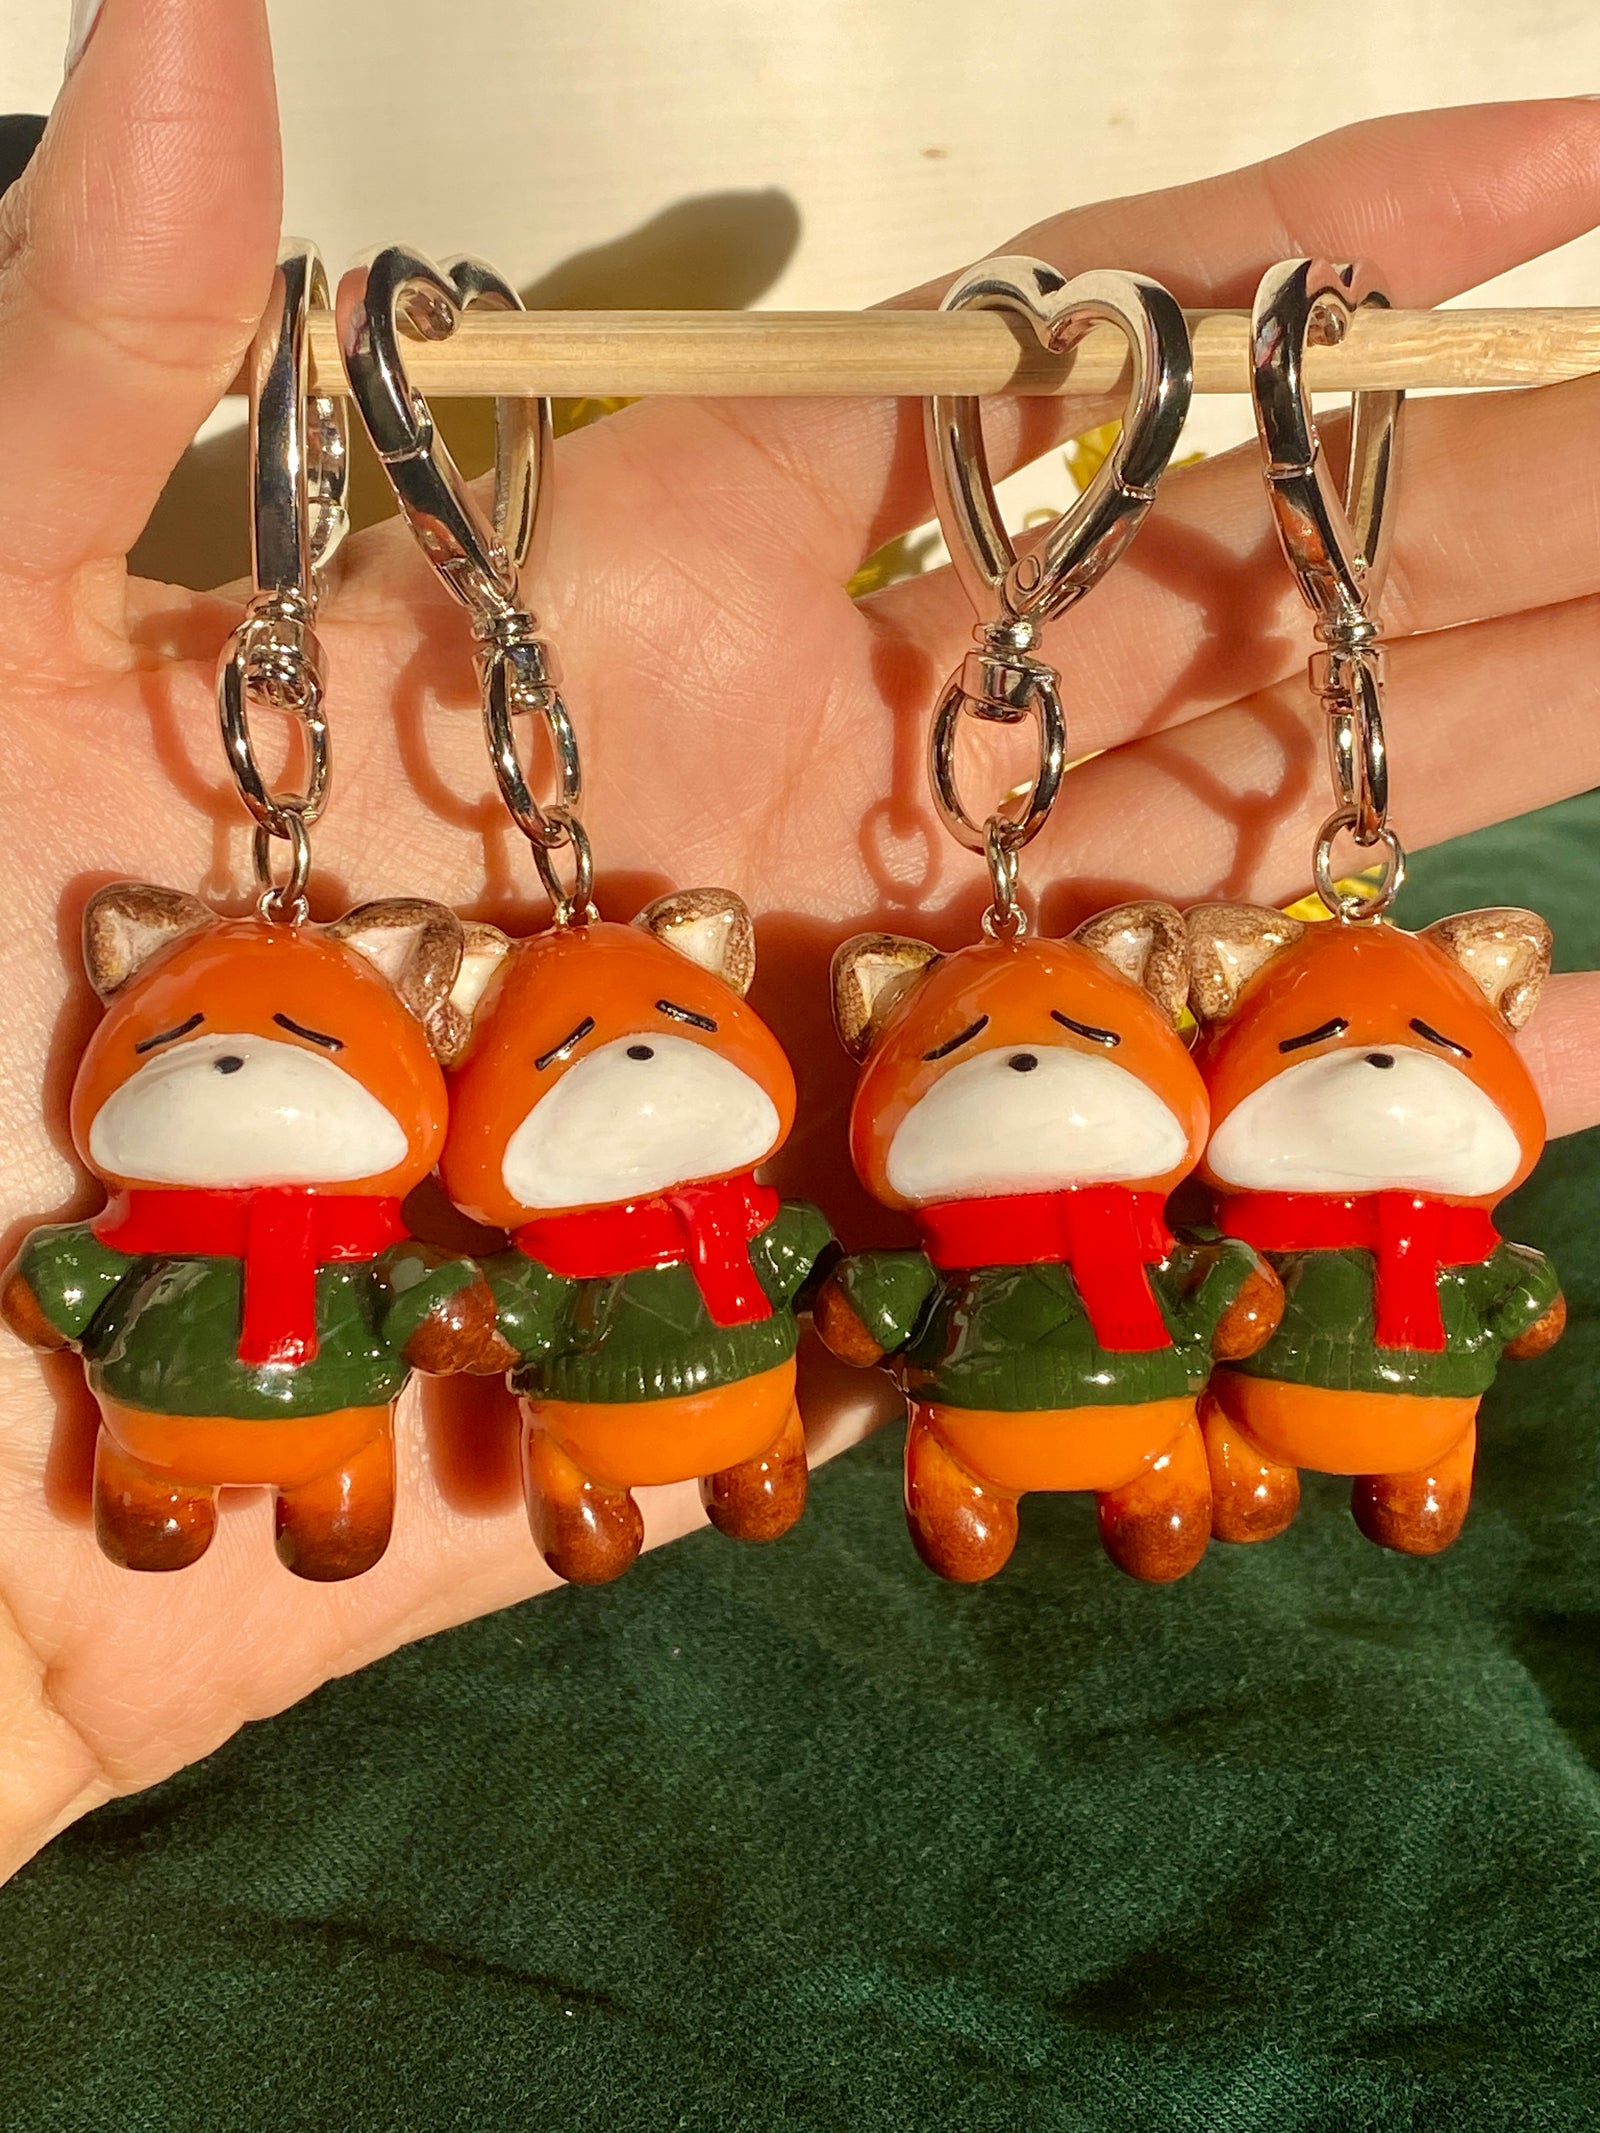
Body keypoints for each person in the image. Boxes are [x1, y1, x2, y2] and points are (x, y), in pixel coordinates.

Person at [0, 0, 1597, 1879]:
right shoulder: (479, 1171)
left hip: (1127, 1375)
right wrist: (443, 1305)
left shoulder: (1143, 1195)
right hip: (417, 1393)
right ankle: (363, 1483)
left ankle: (1197, 1459)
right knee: (486, 1465)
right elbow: (125, 1285)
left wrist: (1228, 1300)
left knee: (1181, 1454)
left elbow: (902, 1286)